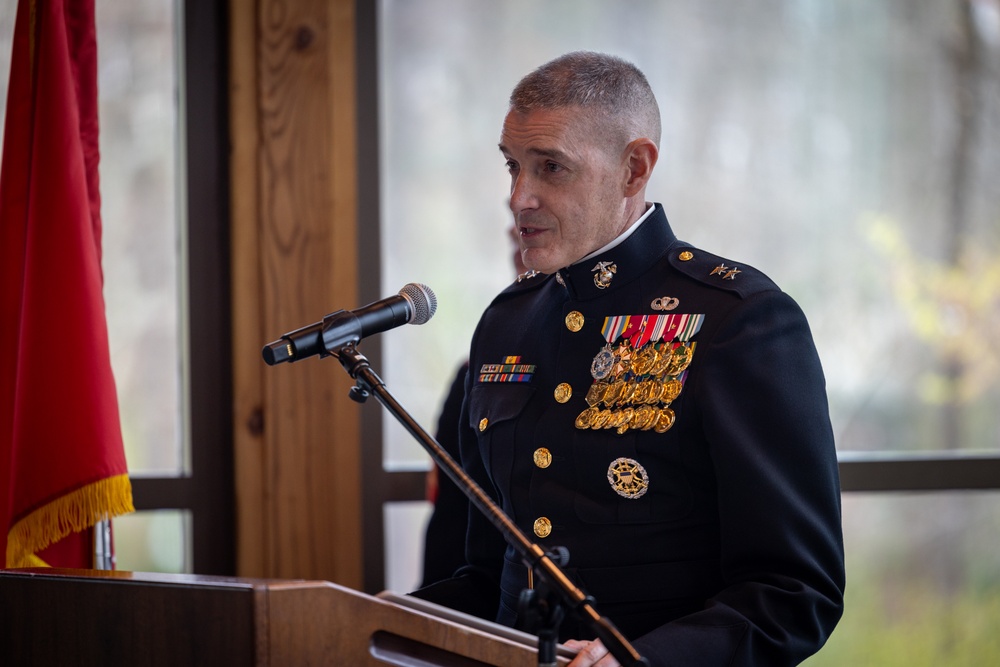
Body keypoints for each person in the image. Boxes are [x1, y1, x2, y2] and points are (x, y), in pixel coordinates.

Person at [412, 51, 845, 667]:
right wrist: (387, 620)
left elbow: (796, 593)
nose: (519, 197)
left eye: (551, 168)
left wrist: (640, 661)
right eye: (512, 167)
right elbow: (489, 574)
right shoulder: (508, 322)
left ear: (634, 168)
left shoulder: (737, 319)